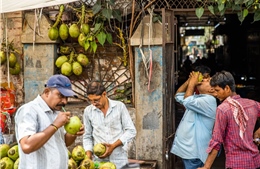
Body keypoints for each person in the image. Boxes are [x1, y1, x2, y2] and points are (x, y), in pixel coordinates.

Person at [15, 74, 85, 169]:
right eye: (60, 96)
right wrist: (55, 125)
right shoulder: (29, 110)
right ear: (47, 92)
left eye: (67, 97)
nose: (64, 101)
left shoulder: (56, 112)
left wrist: (74, 133)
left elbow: (64, 142)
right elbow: (27, 146)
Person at [198, 71, 260, 169]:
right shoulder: (253, 104)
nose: (215, 94)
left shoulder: (223, 109)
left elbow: (216, 141)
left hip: (236, 163)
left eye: (217, 90)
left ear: (227, 88)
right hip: (256, 161)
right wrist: (257, 132)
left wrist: (206, 167)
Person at [82, 81, 136, 169]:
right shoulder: (88, 111)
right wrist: (88, 156)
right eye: (91, 101)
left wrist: (113, 146)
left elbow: (131, 131)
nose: (94, 104)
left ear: (104, 94)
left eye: (96, 100)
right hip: (99, 162)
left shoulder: (119, 107)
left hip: (119, 159)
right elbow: (87, 136)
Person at [170, 71, 217, 169]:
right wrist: (188, 81)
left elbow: (187, 101)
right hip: (189, 152)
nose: (203, 80)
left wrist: (192, 84)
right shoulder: (199, 97)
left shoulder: (209, 100)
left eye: (207, 81)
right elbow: (178, 96)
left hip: (195, 153)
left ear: (212, 89)